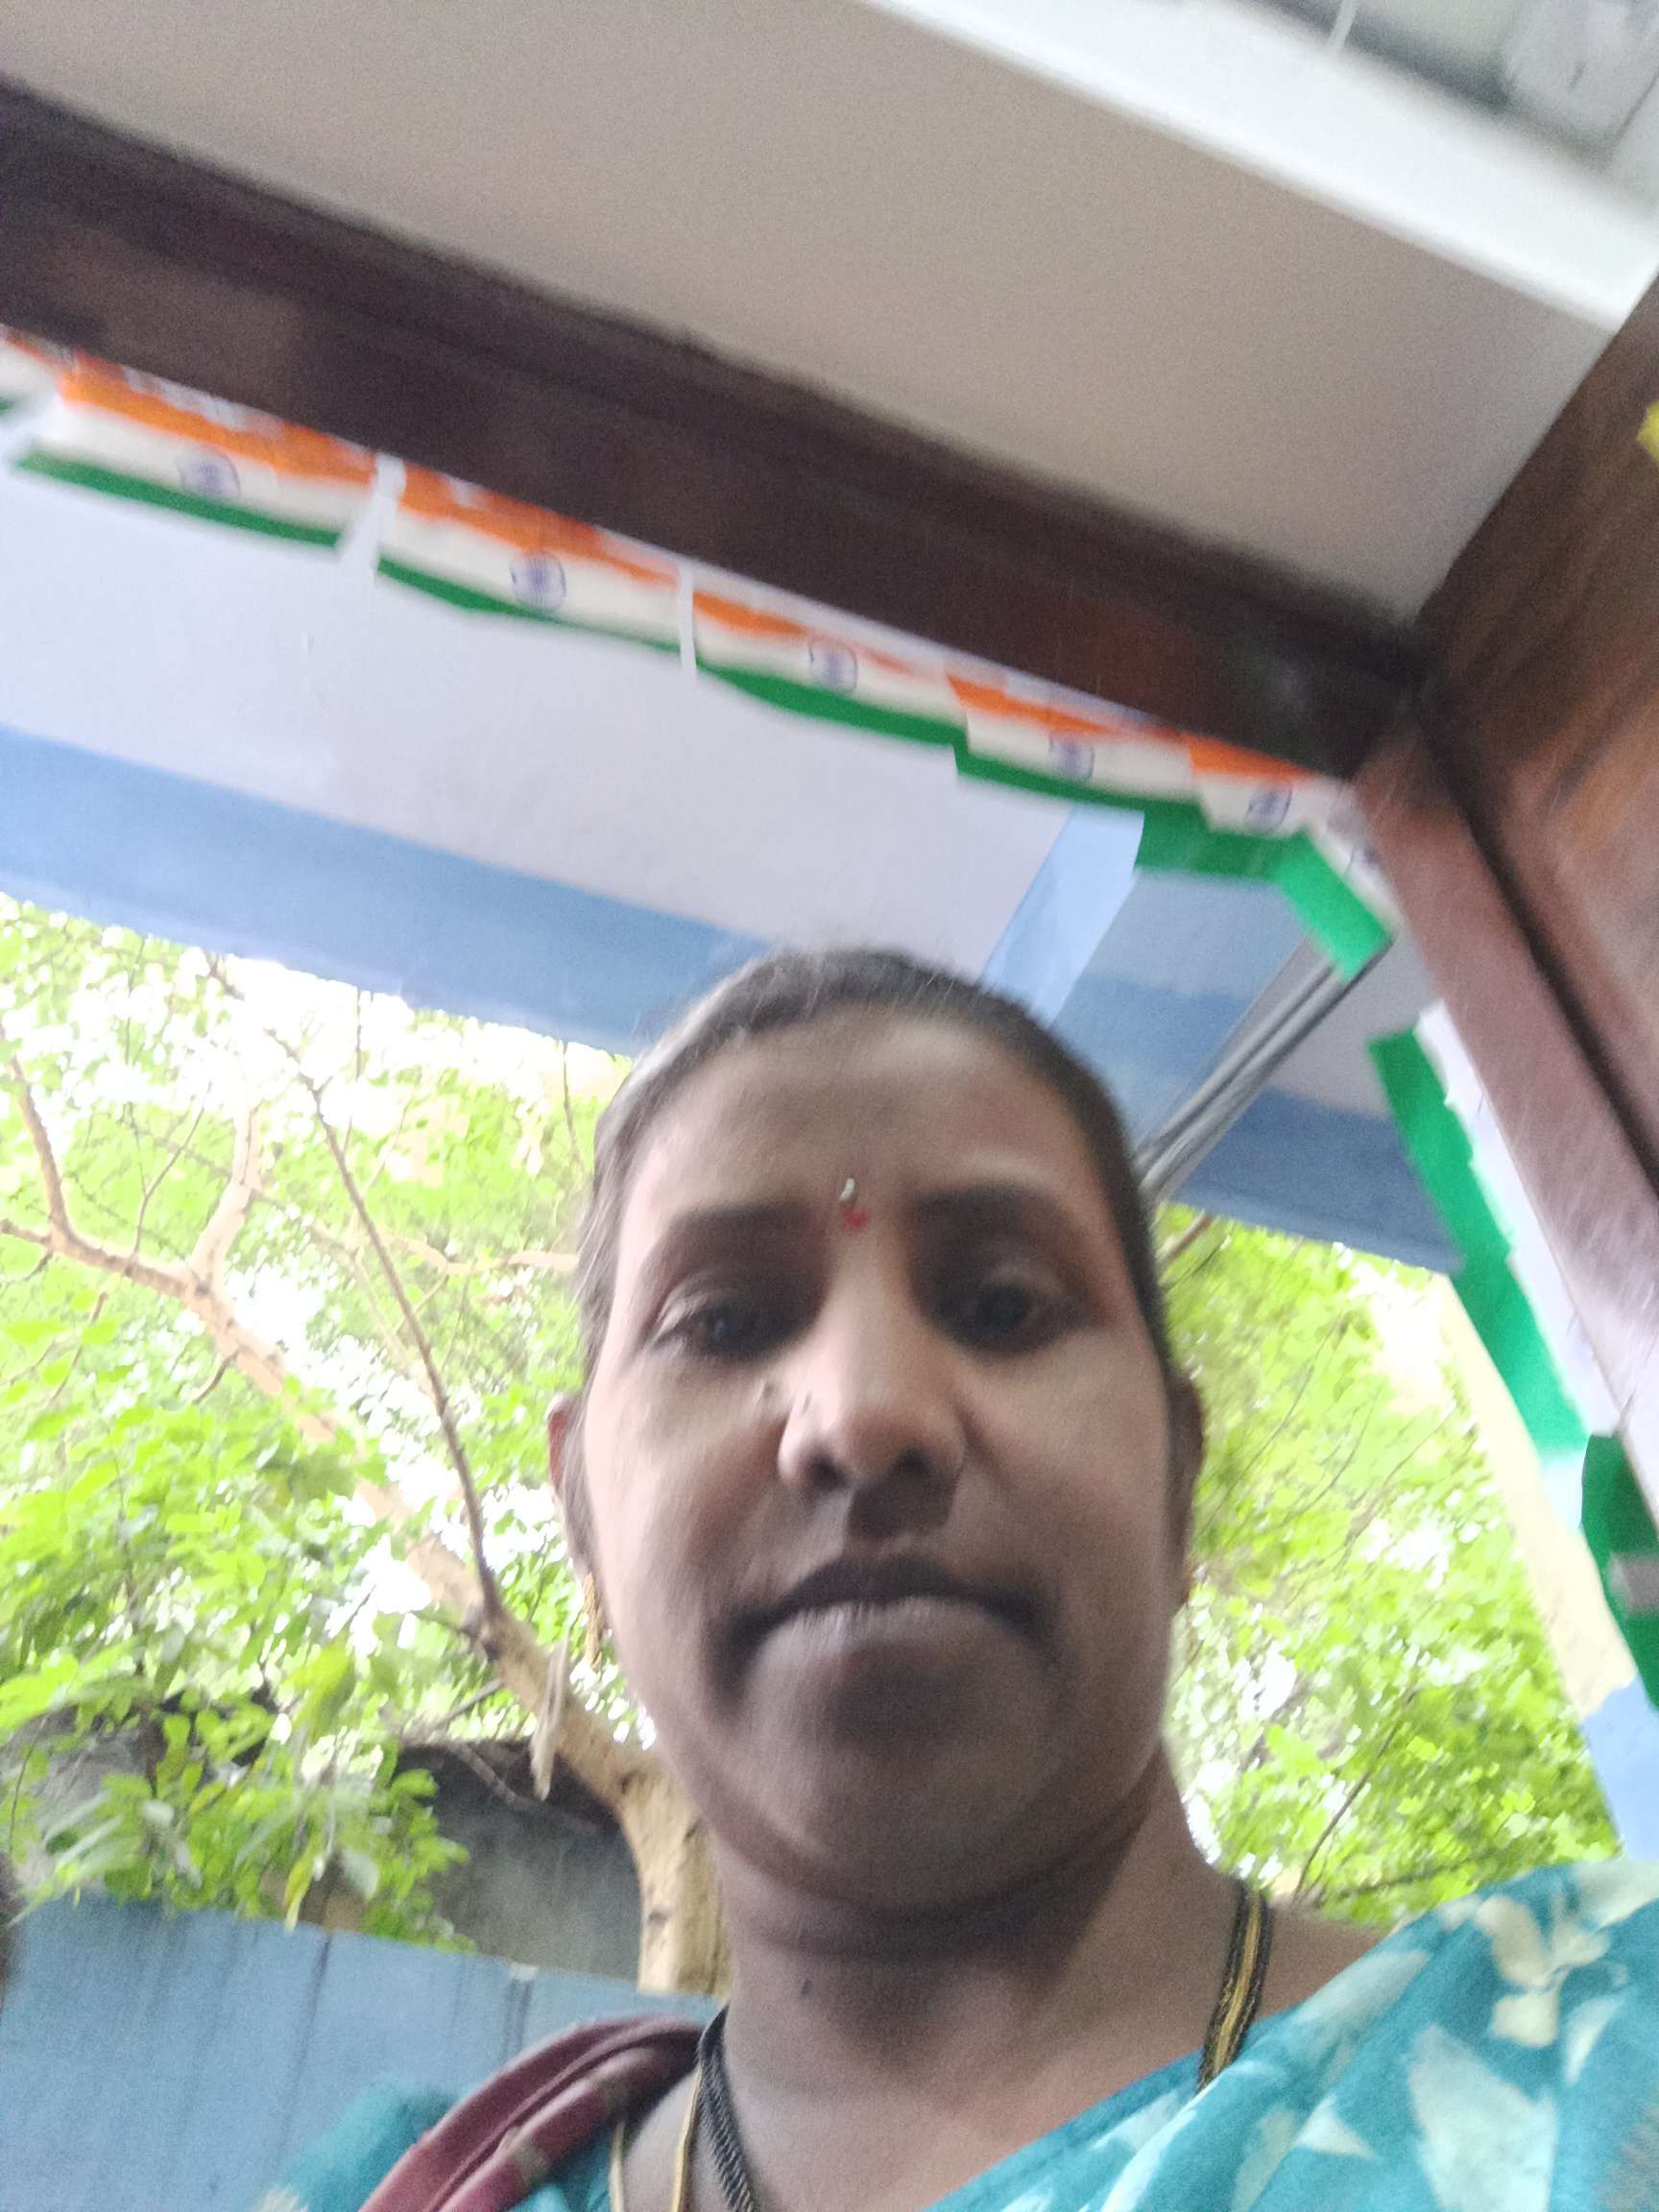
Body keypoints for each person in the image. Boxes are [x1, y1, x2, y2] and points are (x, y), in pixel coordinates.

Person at [263, 949, 1659, 2212]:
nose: (866, 1412)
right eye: (724, 1320)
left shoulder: (1607, 2043)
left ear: (1177, 1481)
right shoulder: (411, 2192)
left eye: (1004, 1305)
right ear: (581, 1517)